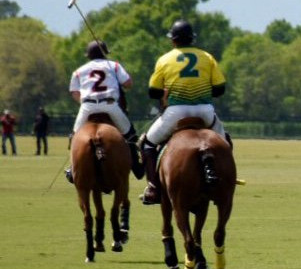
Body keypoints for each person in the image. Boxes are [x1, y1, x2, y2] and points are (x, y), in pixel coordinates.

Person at [140, 19, 228, 204]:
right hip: (205, 112)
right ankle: (224, 183)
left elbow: (152, 91)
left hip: (176, 112)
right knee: (225, 143)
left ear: (173, 40)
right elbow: (220, 89)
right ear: (192, 39)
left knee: (147, 144)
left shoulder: (164, 59)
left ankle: (153, 188)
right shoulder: (207, 57)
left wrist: (167, 93)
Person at [66, 41, 143, 182]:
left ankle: (73, 168)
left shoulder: (79, 71)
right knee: (130, 135)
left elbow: (74, 92)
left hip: (87, 107)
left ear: (88, 55)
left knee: (75, 136)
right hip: (110, 105)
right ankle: (136, 166)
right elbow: (128, 84)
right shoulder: (114, 66)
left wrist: (84, 101)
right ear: (105, 53)